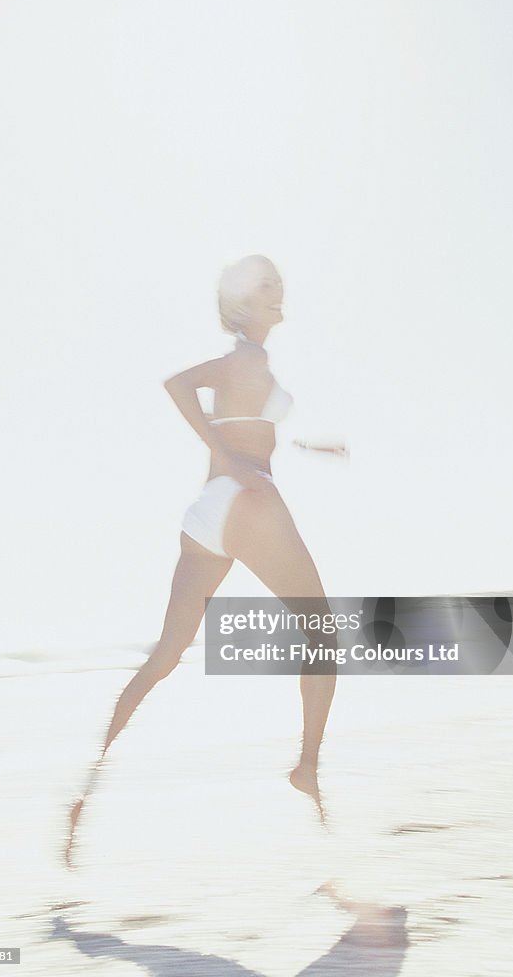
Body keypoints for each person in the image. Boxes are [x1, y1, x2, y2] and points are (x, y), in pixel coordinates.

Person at [64, 254, 347, 866]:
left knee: (166, 654)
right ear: (245, 305)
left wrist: (300, 445)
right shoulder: (248, 356)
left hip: (207, 515)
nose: (278, 293)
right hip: (247, 503)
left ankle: (90, 779)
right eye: (266, 288)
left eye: (278, 285)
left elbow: (251, 423)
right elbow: (178, 385)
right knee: (323, 632)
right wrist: (233, 459)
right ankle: (306, 767)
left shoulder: (255, 364)